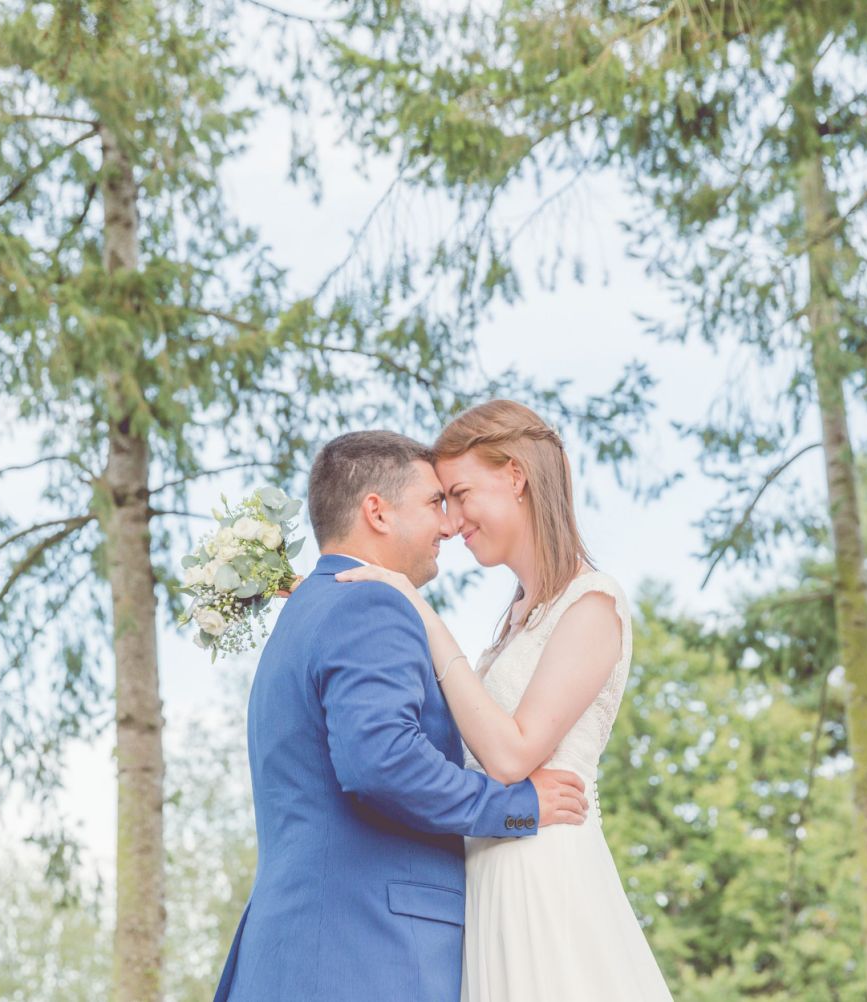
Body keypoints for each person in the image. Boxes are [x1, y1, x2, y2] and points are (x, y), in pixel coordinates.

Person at [212, 429, 590, 1002]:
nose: (448, 524)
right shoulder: (371, 603)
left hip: (297, 954)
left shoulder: (306, 613)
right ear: (378, 512)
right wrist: (519, 807)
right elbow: (383, 762)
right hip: (368, 957)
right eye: (435, 502)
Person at [337, 399, 673, 1001]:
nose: (453, 519)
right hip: (489, 876)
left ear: (515, 475)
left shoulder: (593, 604)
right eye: (443, 501)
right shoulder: (513, 624)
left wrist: (418, 611)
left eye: (460, 493)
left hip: (544, 876)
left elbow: (513, 756)